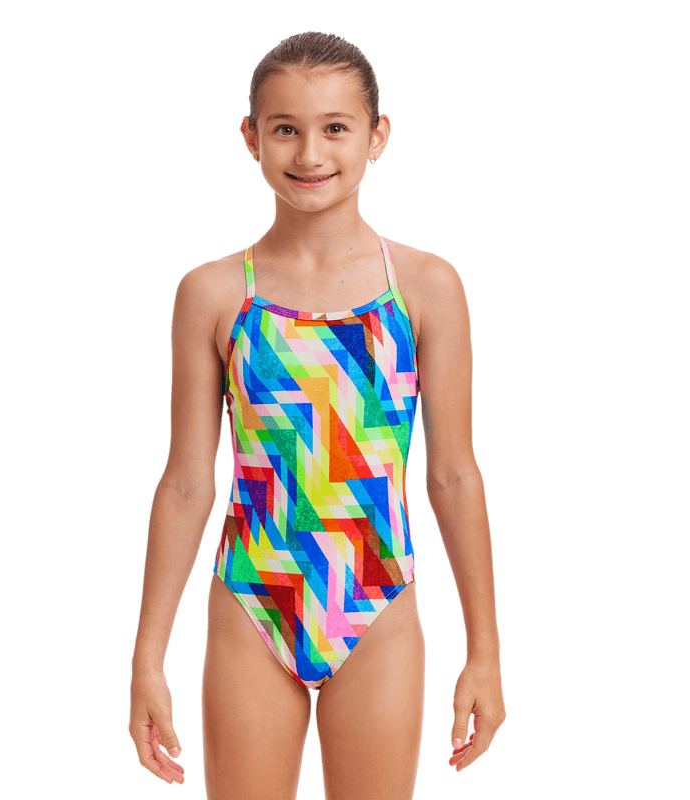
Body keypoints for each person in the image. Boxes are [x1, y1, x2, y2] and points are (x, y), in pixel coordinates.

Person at [129, 30, 505, 799]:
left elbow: (454, 474)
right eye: (285, 129)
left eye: (335, 127)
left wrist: (485, 653)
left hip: (376, 599)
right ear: (251, 137)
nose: (310, 153)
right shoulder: (215, 295)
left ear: (377, 135)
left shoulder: (424, 289)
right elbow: (186, 482)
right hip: (253, 599)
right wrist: (147, 658)